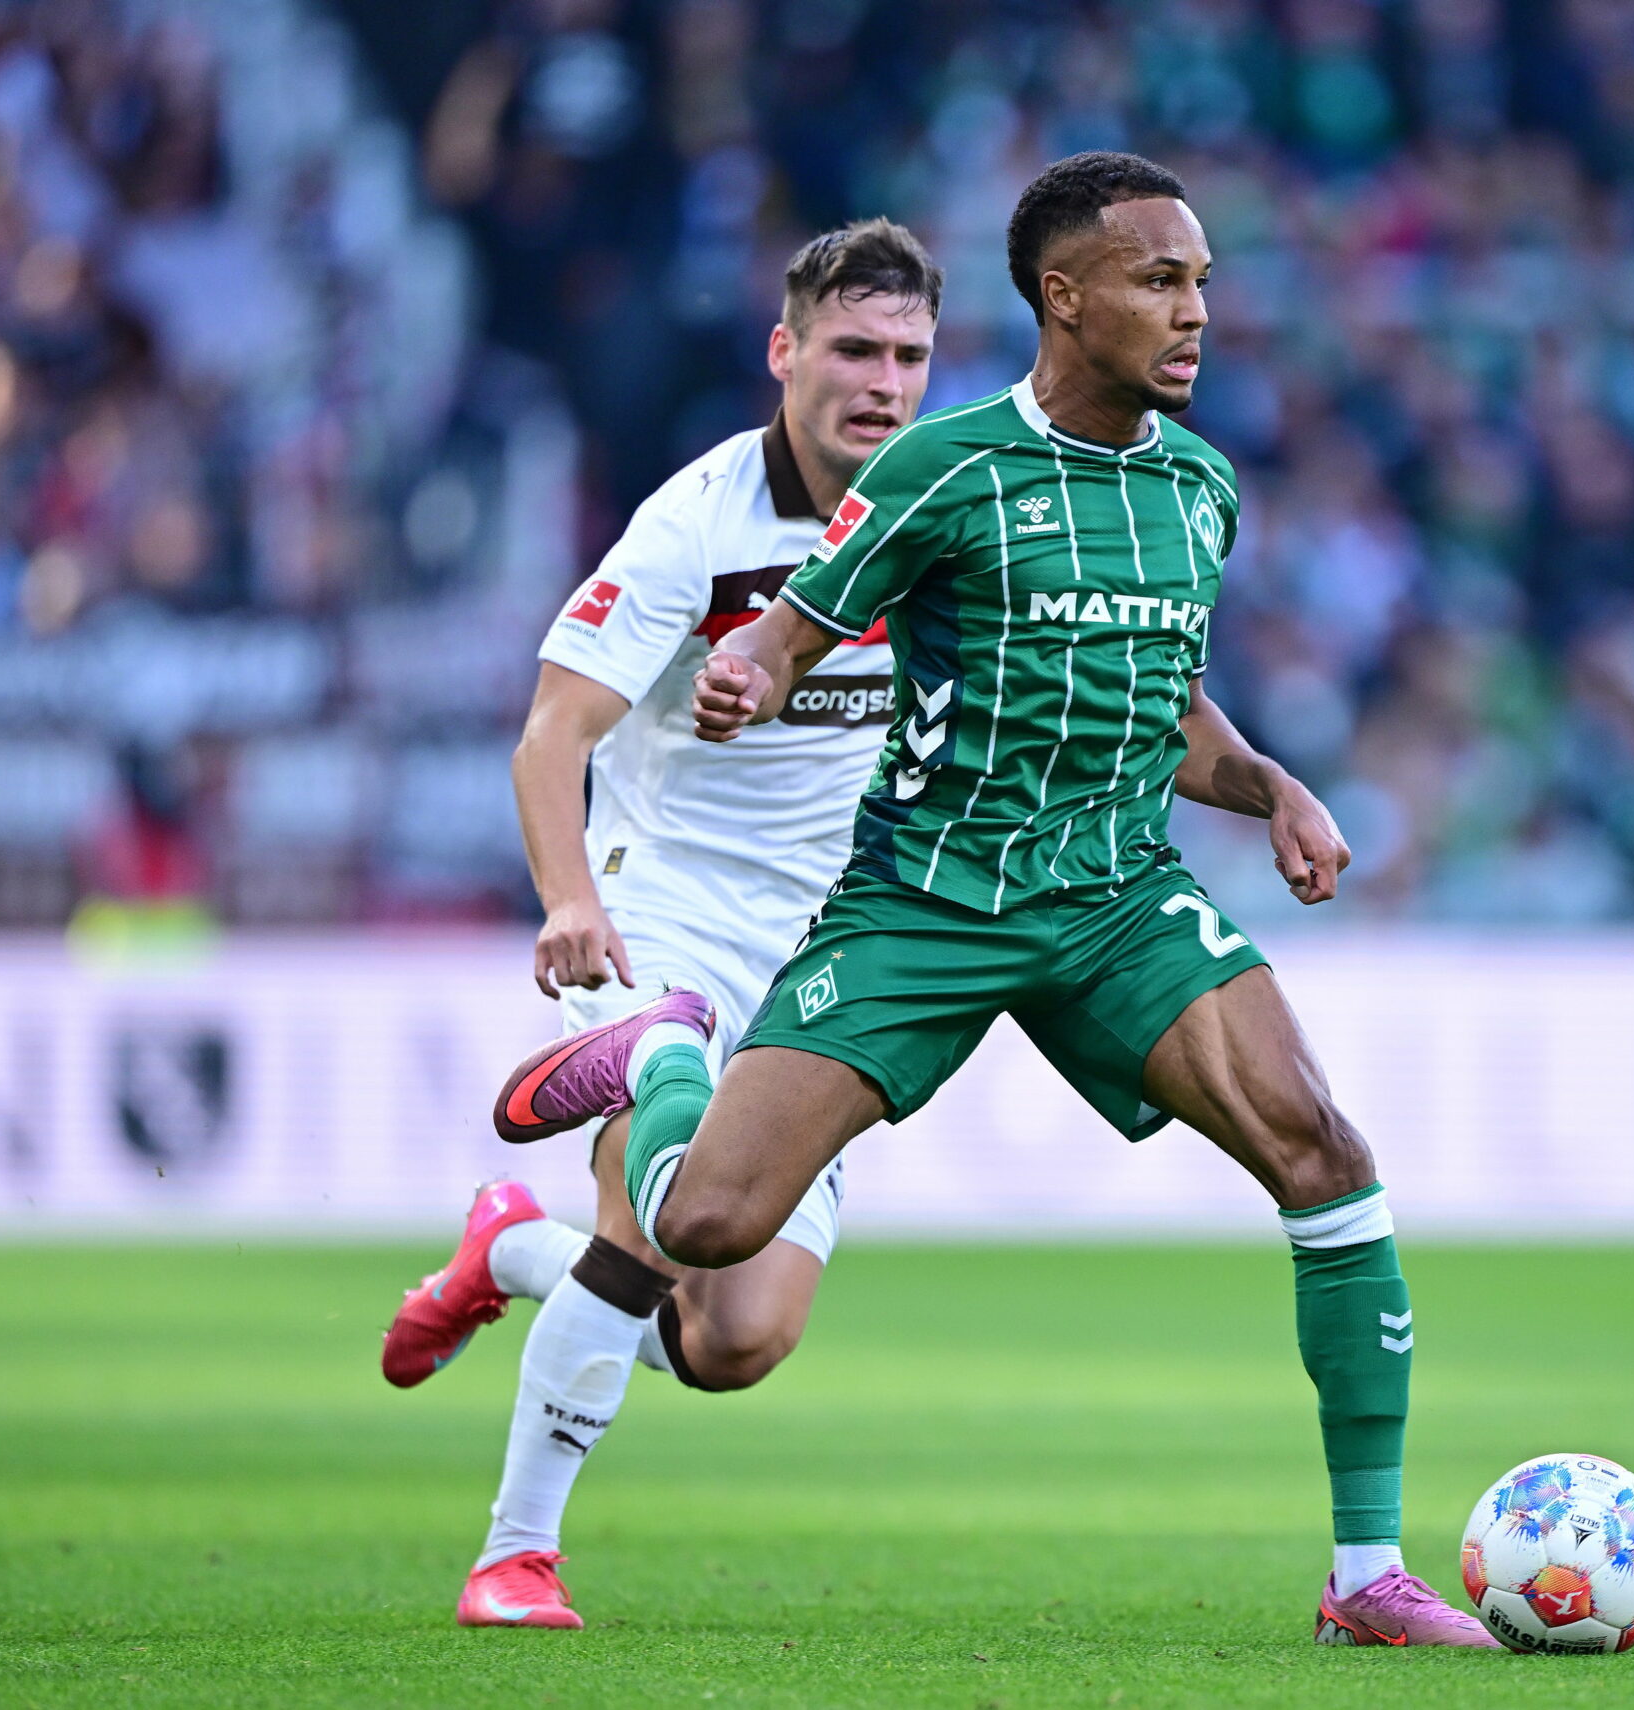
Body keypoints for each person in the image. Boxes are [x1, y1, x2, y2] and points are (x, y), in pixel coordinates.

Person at [636, 151, 1492, 1647]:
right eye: (1163, 280)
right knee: (708, 1227)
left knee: (1324, 1151)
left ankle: (1367, 1575)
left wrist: (1274, 784)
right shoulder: (944, 469)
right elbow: (789, 635)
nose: (1196, 313)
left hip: (1113, 894)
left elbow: (1169, 709)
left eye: (1205, 283)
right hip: (929, 896)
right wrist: (739, 678)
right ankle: (658, 1060)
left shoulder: (1203, 488)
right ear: (1065, 293)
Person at [376, 220, 940, 1631]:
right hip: (661, 910)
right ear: (785, 352)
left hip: (826, 947)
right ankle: (517, 1553)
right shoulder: (698, 518)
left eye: (909, 357)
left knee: (733, 1337)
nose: (882, 383)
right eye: (854, 350)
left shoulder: (940, 507)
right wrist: (572, 898)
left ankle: (506, 1244)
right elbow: (552, 731)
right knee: (646, 1209)